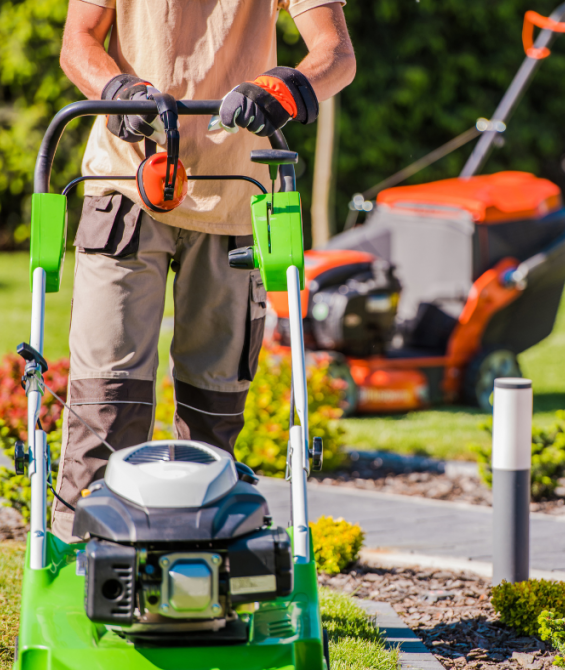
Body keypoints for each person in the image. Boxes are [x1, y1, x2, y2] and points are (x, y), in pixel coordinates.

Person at [52, 0, 356, 541]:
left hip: (236, 195)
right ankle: (78, 558)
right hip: (126, 186)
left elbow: (335, 55)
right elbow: (78, 41)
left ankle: (204, 558)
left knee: (212, 411)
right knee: (105, 400)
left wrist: (283, 89)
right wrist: (116, 89)